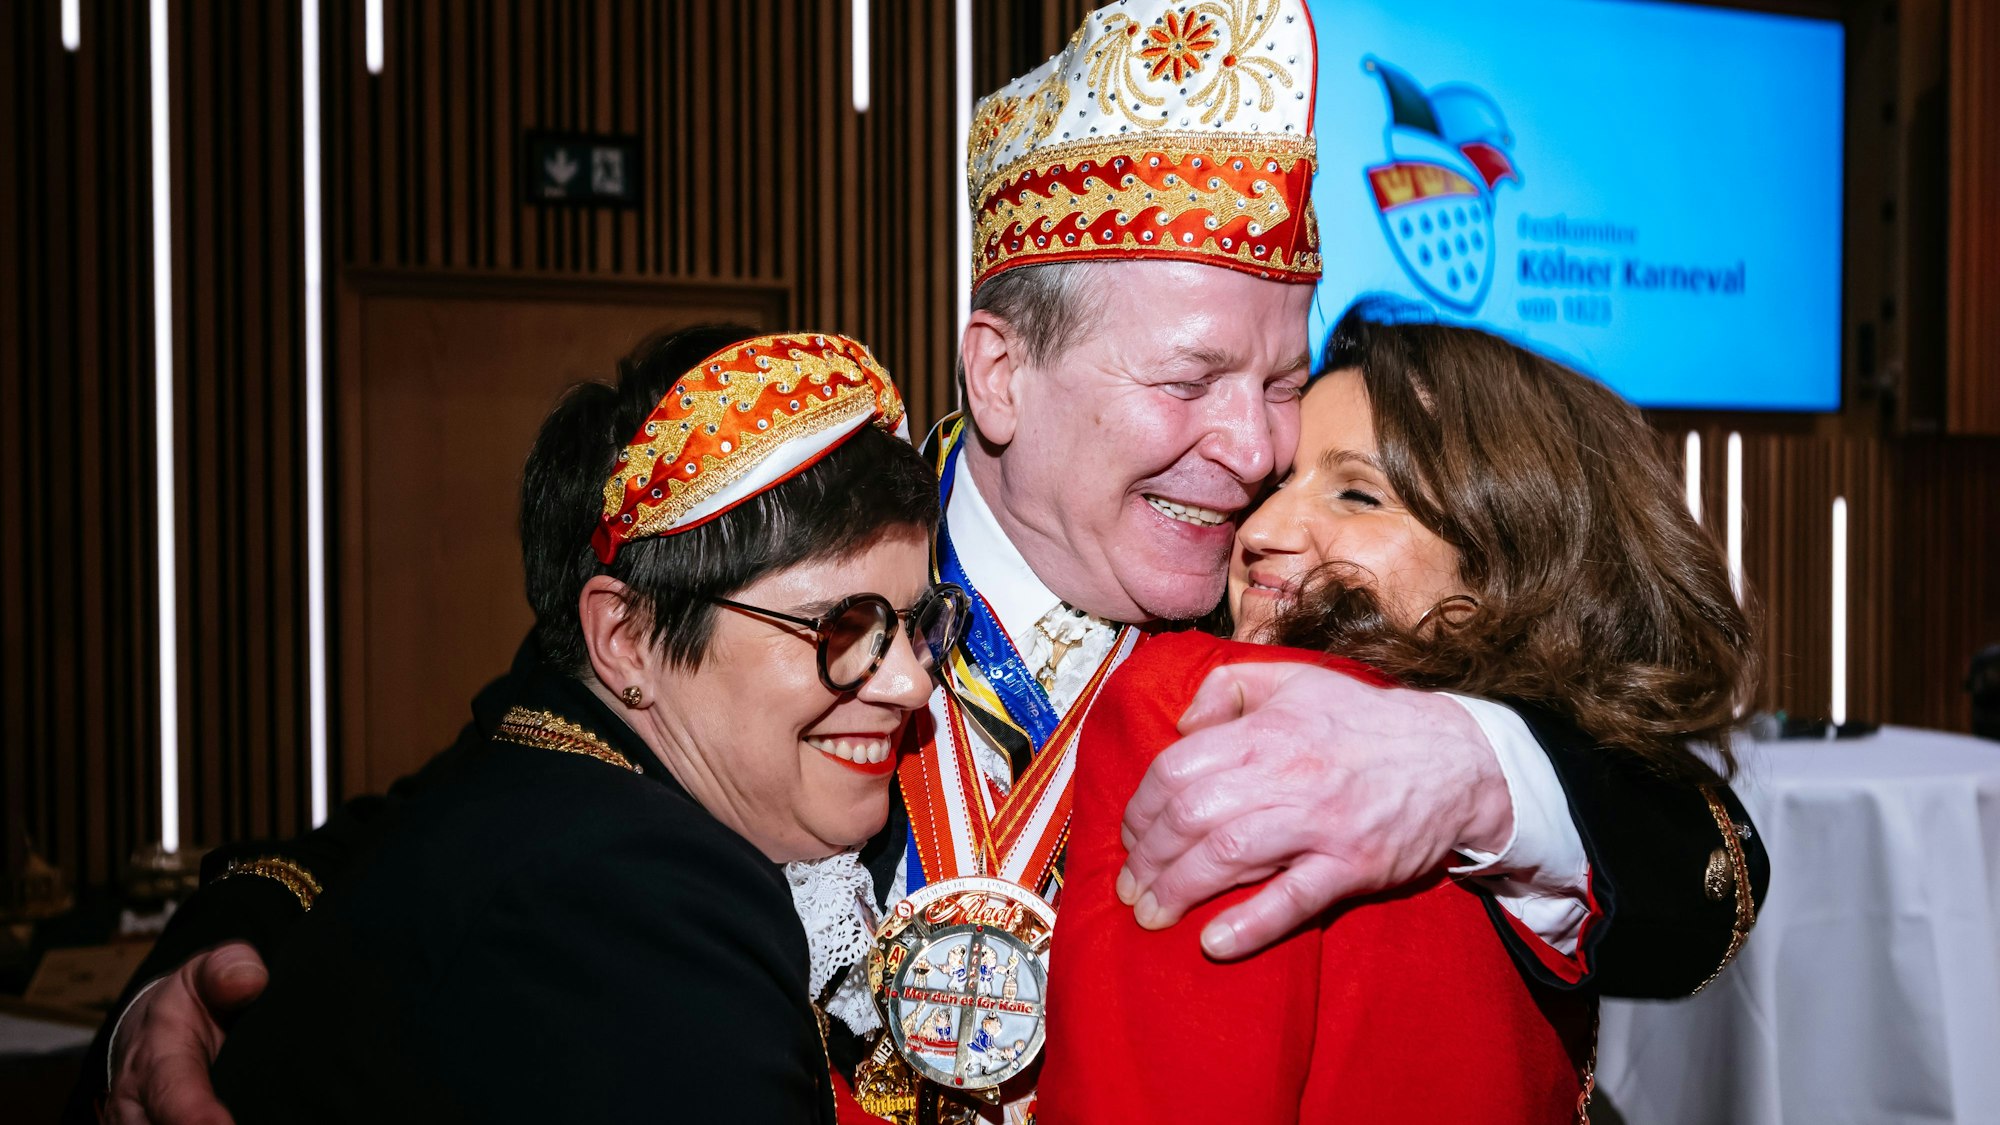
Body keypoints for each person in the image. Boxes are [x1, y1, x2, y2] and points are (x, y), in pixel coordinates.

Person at [87, 3, 1767, 1122]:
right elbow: (484, 797)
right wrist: (210, 961)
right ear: (999, 372)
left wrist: (1463, 766)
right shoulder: (796, 552)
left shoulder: (1309, 634)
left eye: (1274, 380)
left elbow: (1698, 870)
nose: (1253, 452)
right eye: (1186, 382)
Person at [199, 327, 967, 1123]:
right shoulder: (630, 907)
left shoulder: (543, 758)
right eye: (841, 628)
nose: (913, 683)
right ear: (625, 637)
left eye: (916, 624)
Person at [1037, 303, 1761, 1122]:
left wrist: (1472, 764)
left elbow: (1706, 861)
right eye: (1274, 486)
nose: (1264, 528)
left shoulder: (1218, 706)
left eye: (1357, 494)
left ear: (1512, 565)